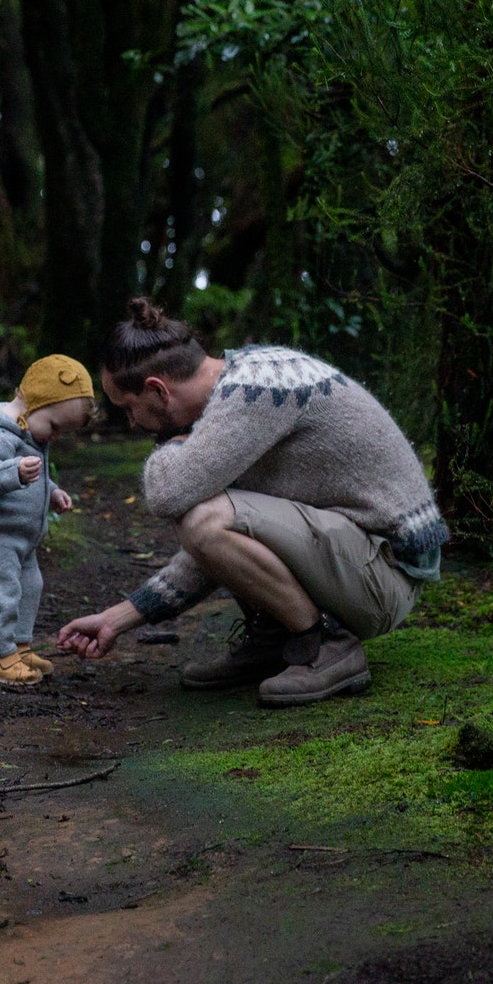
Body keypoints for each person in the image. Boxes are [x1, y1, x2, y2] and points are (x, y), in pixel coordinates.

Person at [57, 299, 447, 706]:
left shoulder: (257, 389)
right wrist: (118, 618)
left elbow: (167, 492)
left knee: (203, 518)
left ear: (158, 390)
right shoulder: (241, 387)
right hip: (355, 558)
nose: (132, 424)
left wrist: (175, 445)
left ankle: (325, 645)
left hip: (382, 575)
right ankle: (275, 640)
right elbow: (222, 546)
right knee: (210, 519)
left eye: (128, 409)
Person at [0, 355, 95, 688]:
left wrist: (52, 492)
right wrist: (13, 472)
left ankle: (18, 646)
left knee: (31, 587)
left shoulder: (29, 431)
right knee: (4, 594)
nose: (53, 437)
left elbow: (36, 476)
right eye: (55, 427)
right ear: (33, 404)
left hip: (20, 538)